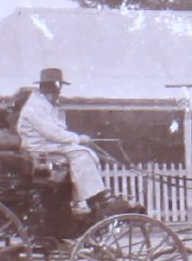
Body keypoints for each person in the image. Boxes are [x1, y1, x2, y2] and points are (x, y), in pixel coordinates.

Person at [17, 68, 130, 218]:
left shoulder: (45, 105)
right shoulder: (35, 107)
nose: (58, 92)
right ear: (48, 88)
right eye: (56, 87)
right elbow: (52, 133)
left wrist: (77, 140)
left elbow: (56, 131)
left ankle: (87, 198)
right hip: (38, 148)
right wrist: (78, 139)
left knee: (86, 153)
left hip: (47, 145)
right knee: (80, 153)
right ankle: (93, 197)